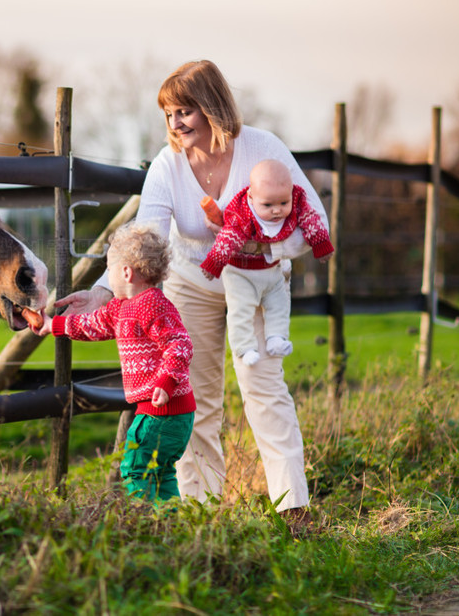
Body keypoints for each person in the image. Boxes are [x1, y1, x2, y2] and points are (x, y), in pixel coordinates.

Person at [56, 60, 326, 520]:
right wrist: (103, 292)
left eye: (185, 111)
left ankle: (293, 508)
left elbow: (313, 221)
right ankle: (201, 512)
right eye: (168, 114)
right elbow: (146, 241)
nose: (175, 123)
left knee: (263, 389)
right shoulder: (168, 165)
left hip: (256, 282)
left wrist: (260, 242)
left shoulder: (263, 150)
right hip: (191, 283)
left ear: (212, 108)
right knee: (193, 398)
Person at [31, 223, 195, 503]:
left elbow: (180, 345)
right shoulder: (120, 308)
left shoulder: (153, 305)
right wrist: (53, 325)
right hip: (162, 411)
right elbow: (90, 324)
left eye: (110, 268)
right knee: (160, 472)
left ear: (126, 272)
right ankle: (170, 525)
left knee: (134, 468)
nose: (109, 276)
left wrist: (166, 382)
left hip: (165, 411)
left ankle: (146, 524)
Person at [200, 158, 334, 367]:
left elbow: (311, 219)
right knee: (240, 310)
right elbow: (229, 237)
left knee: (279, 304)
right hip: (241, 273)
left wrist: (321, 243)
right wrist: (215, 262)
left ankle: (277, 338)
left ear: (291, 193)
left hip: (272, 270)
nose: (277, 210)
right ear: (252, 197)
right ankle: (244, 348)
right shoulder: (242, 212)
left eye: (283, 203)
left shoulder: (298, 202)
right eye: (268, 205)